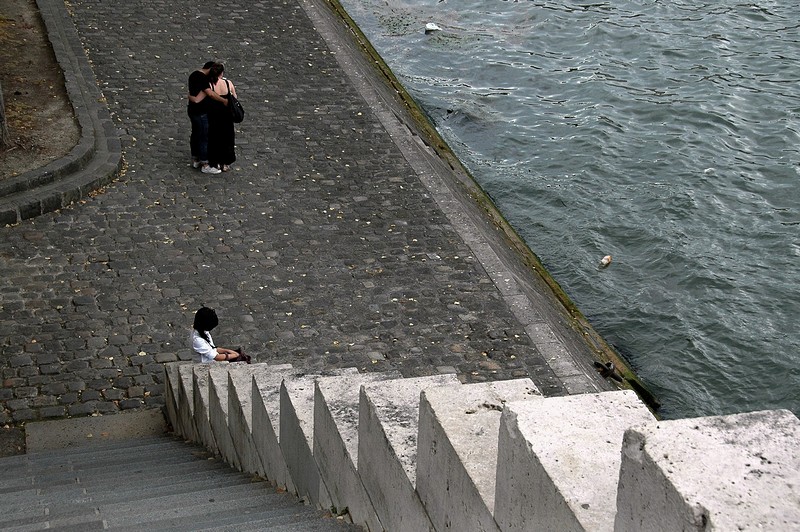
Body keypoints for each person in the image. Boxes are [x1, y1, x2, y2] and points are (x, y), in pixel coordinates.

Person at [187, 61, 228, 175]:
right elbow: (208, 94)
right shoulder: (204, 79)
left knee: (195, 133)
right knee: (203, 137)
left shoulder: (194, 75)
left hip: (192, 110)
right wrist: (223, 100)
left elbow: (193, 97)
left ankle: (195, 158)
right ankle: (205, 163)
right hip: (201, 112)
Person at [206, 62, 238, 172]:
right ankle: (225, 163)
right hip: (227, 116)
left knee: (214, 138)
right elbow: (235, 97)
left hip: (214, 115)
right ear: (222, 73)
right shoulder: (228, 83)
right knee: (227, 138)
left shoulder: (210, 84)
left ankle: (215, 161)